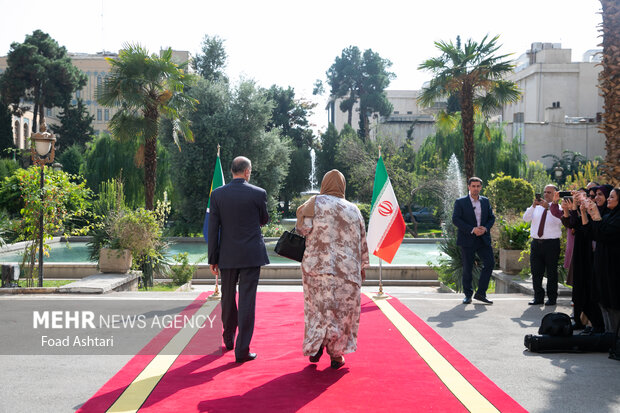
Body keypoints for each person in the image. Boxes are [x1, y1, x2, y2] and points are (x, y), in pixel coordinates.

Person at [296, 170, 369, 369]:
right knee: (343, 313)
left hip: (316, 269)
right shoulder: (354, 209)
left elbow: (302, 229)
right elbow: (361, 241)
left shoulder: (314, 202)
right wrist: (362, 266)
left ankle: (316, 346)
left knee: (317, 310)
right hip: (346, 272)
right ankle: (336, 355)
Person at [208, 156, 269, 363]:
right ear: (247, 172)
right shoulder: (258, 194)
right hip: (251, 254)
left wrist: (212, 258)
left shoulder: (217, 195)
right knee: (247, 300)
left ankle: (228, 336)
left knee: (227, 297)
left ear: (232, 171)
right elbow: (264, 219)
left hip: (227, 254)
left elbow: (213, 228)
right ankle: (242, 350)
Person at [582, 187, 620, 335]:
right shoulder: (610, 215)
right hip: (602, 263)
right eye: (609, 197)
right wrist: (588, 212)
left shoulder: (617, 218)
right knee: (602, 299)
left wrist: (596, 214)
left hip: (614, 266)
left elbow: (605, 233)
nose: (608, 199)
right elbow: (594, 233)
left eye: (611, 197)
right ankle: (608, 334)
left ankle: (614, 336)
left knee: (613, 300)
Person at [452, 177, 495, 305]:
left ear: (481, 187)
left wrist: (485, 228)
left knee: (490, 263)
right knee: (467, 267)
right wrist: (472, 229)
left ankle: (481, 293)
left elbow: (491, 218)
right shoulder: (460, 202)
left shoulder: (485, 201)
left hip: (483, 239)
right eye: (473, 186)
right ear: (468, 187)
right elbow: (456, 219)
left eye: (478, 186)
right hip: (467, 239)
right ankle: (468, 295)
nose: (476, 188)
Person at [523, 185, 563, 306]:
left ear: (556, 194)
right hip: (536, 243)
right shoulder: (537, 208)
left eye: (549, 192)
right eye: (545, 192)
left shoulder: (559, 208)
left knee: (551, 272)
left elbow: (559, 221)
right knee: (536, 272)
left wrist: (550, 208)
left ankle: (552, 298)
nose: (546, 194)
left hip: (551, 244)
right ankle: (538, 297)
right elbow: (525, 219)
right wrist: (533, 206)